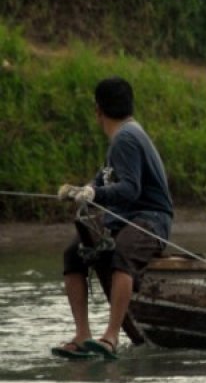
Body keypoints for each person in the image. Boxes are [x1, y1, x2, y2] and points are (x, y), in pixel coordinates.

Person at [54, 77, 173, 360]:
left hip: (150, 218)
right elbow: (102, 179)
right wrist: (77, 191)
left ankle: (110, 336)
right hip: (125, 216)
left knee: (122, 254)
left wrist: (93, 194)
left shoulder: (126, 139)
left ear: (98, 110)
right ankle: (82, 334)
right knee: (73, 254)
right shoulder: (122, 138)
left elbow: (131, 190)